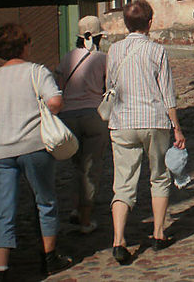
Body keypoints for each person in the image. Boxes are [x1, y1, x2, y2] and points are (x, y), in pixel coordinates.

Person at [0, 23, 72, 281]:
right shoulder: (36, 72)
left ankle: (0, 270)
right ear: (24, 46)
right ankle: (50, 259)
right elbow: (54, 102)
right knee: (45, 201)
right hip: (33, 146)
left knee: (0, 209)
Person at [106, 0, 186, 265]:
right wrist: (177, 127)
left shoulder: (114, 51)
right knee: (159, 176)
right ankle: (158, 233)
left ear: (125, 23)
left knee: (123, 182)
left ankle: (118, 240)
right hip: (154, 120)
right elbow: (167, 93)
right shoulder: (157, 51)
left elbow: (110, 86)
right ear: (150, 22)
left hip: (122, 121)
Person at [56, 15, 109, 234]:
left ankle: (75, 208)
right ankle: (86, 219)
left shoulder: (68, 58)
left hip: (68, 116)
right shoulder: (102, 58)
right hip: (93, 115)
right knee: (91, 168)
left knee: (77, 166)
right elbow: (109, 87)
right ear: (98, 36)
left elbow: (58, 86)